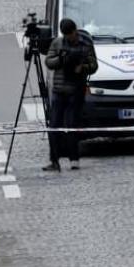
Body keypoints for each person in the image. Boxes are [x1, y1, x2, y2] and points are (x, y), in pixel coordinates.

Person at [43, 18, 98, 171]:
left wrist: (83, 67)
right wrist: (61, 59)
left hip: (76, 90)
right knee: (54, 126)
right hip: (59, 91)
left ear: (75, 31)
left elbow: (94, 65)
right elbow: (48, 62)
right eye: (66, 35)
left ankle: (74, 159)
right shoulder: (57, 43)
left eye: (71, 35)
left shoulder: (85, 44)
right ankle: (54, 160)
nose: (69, 38)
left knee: (72, 125)